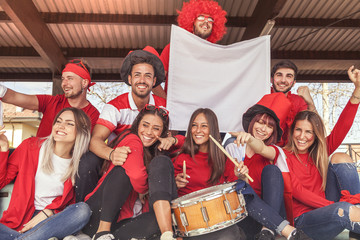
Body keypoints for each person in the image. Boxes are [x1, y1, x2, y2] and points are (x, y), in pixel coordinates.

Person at [234, 66, 360, 240]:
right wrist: (248, 138)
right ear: (292, 132)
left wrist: (357, 91)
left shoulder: (319, 152)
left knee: (341, 158)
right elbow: (262, 148)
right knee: (344, 210)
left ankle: (356, 218)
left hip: (330, 210)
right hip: (304, 221)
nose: (302, 136)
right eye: (298, 130)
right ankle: (354, 215)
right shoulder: (281, 155)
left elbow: (342, 127)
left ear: (314, 135)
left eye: (308, 132)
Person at [173, 108, 310, 240]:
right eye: (194, 125)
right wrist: (175, 183)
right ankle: (290, 232)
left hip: (254, 215)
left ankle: (269, 230)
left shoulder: (224, 157)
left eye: (204, 126)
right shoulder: (182, 158)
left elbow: (242, 187)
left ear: (212, 129)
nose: (198, 130)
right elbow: (170, 194)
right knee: (239, 187)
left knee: (249, 181)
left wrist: (241, 174)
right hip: (204, 220)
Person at [76, 46, 167, 202]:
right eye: (137, 75)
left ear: (154, 81)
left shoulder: (164, 106)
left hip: (151, 156)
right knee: (87, 162)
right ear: (130, 79)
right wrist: (111, 154)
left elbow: (170, 138)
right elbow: (95, 140)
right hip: (120, 157)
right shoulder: (114, 106)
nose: (142, 80)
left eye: (147, 76)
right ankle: (82, 211)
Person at [81, 104, 183, 240]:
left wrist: (173, 139)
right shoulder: (132, 139)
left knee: (160, 219)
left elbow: (189, 142)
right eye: (145, 125)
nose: (149, 132)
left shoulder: (155, 150)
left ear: (162, 133)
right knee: (123, 171)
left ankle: (167, 235)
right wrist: (148, 188)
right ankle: (101, 233)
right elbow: (137, 175)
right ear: (137, 124)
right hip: (99, 216)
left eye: (156, 128)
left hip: (122, 222)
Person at [0, 108, 92, 240]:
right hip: (18, 222)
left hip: (51, 222)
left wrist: (50, 211)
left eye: (69, 123)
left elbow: (70, 204)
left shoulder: (81, 164)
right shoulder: (30, 147)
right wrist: (3, 148)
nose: (61, 126)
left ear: (81, 132)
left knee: (83, 210)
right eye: (58, 121)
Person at [0, 59, 99, 137]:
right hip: (37, 159)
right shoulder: (51, 102)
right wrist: (1, 90)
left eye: (70, 78)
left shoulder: (93, 115)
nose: (64, 84)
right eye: (63, 79)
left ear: (84, 83)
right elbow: (13, 97)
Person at [152, 0, 227, 98]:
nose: (206, 21)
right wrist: (166, 102)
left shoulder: (215, 54)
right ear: (192, 22)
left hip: (204, 109)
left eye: (210, 19)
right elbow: (153, 80)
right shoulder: (173, 48)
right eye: (201, 17)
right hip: (176, 109)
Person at [270, 60, 316, 146]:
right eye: (279, 75)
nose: (283, 80)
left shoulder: (298, 101)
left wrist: (310, 103)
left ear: (294, 82)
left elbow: (315, 127)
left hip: (290, 152)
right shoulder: (262, 95)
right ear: (271, 79)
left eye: (289, 76)